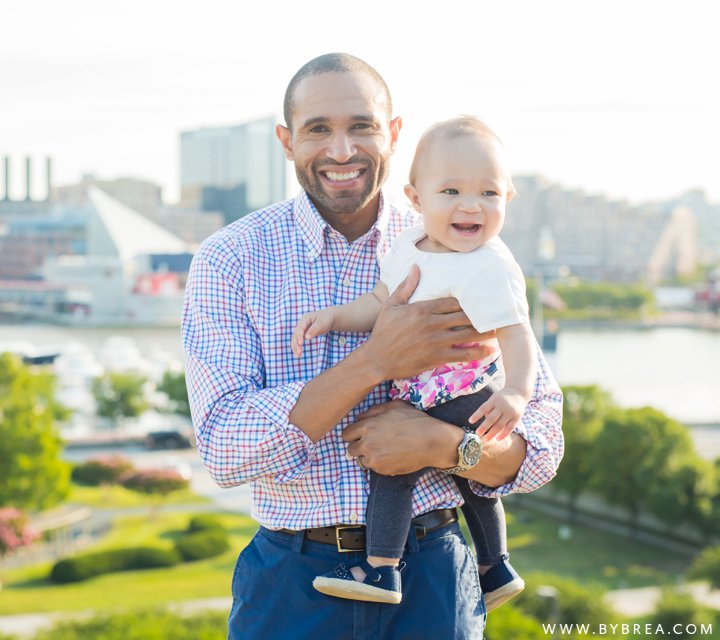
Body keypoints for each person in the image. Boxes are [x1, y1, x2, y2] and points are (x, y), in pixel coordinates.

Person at [182, 52, 563, 640]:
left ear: (393, 134)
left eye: (361, 126)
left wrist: (443, 445)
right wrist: (376, 361)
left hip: (436, 573)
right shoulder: (230, 261)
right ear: (287, 141)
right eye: (318, 130)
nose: (341, 151)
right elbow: (225, 451)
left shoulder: (467, 246)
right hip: (290, 582)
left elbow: (541, 446)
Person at [293, 117, 532, 610]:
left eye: (488, 193)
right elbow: (384, 300)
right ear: (417, 199)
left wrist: (516, 393)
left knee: (410, 471)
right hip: (422, 395)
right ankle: (494, 567)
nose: (471, 205)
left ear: (507, 198)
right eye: (451, 191)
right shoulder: (408, 246)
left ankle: (386, 569)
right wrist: (337, 317)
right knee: (452, 474)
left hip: (465, 391)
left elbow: (516, 332)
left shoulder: (490, 263)